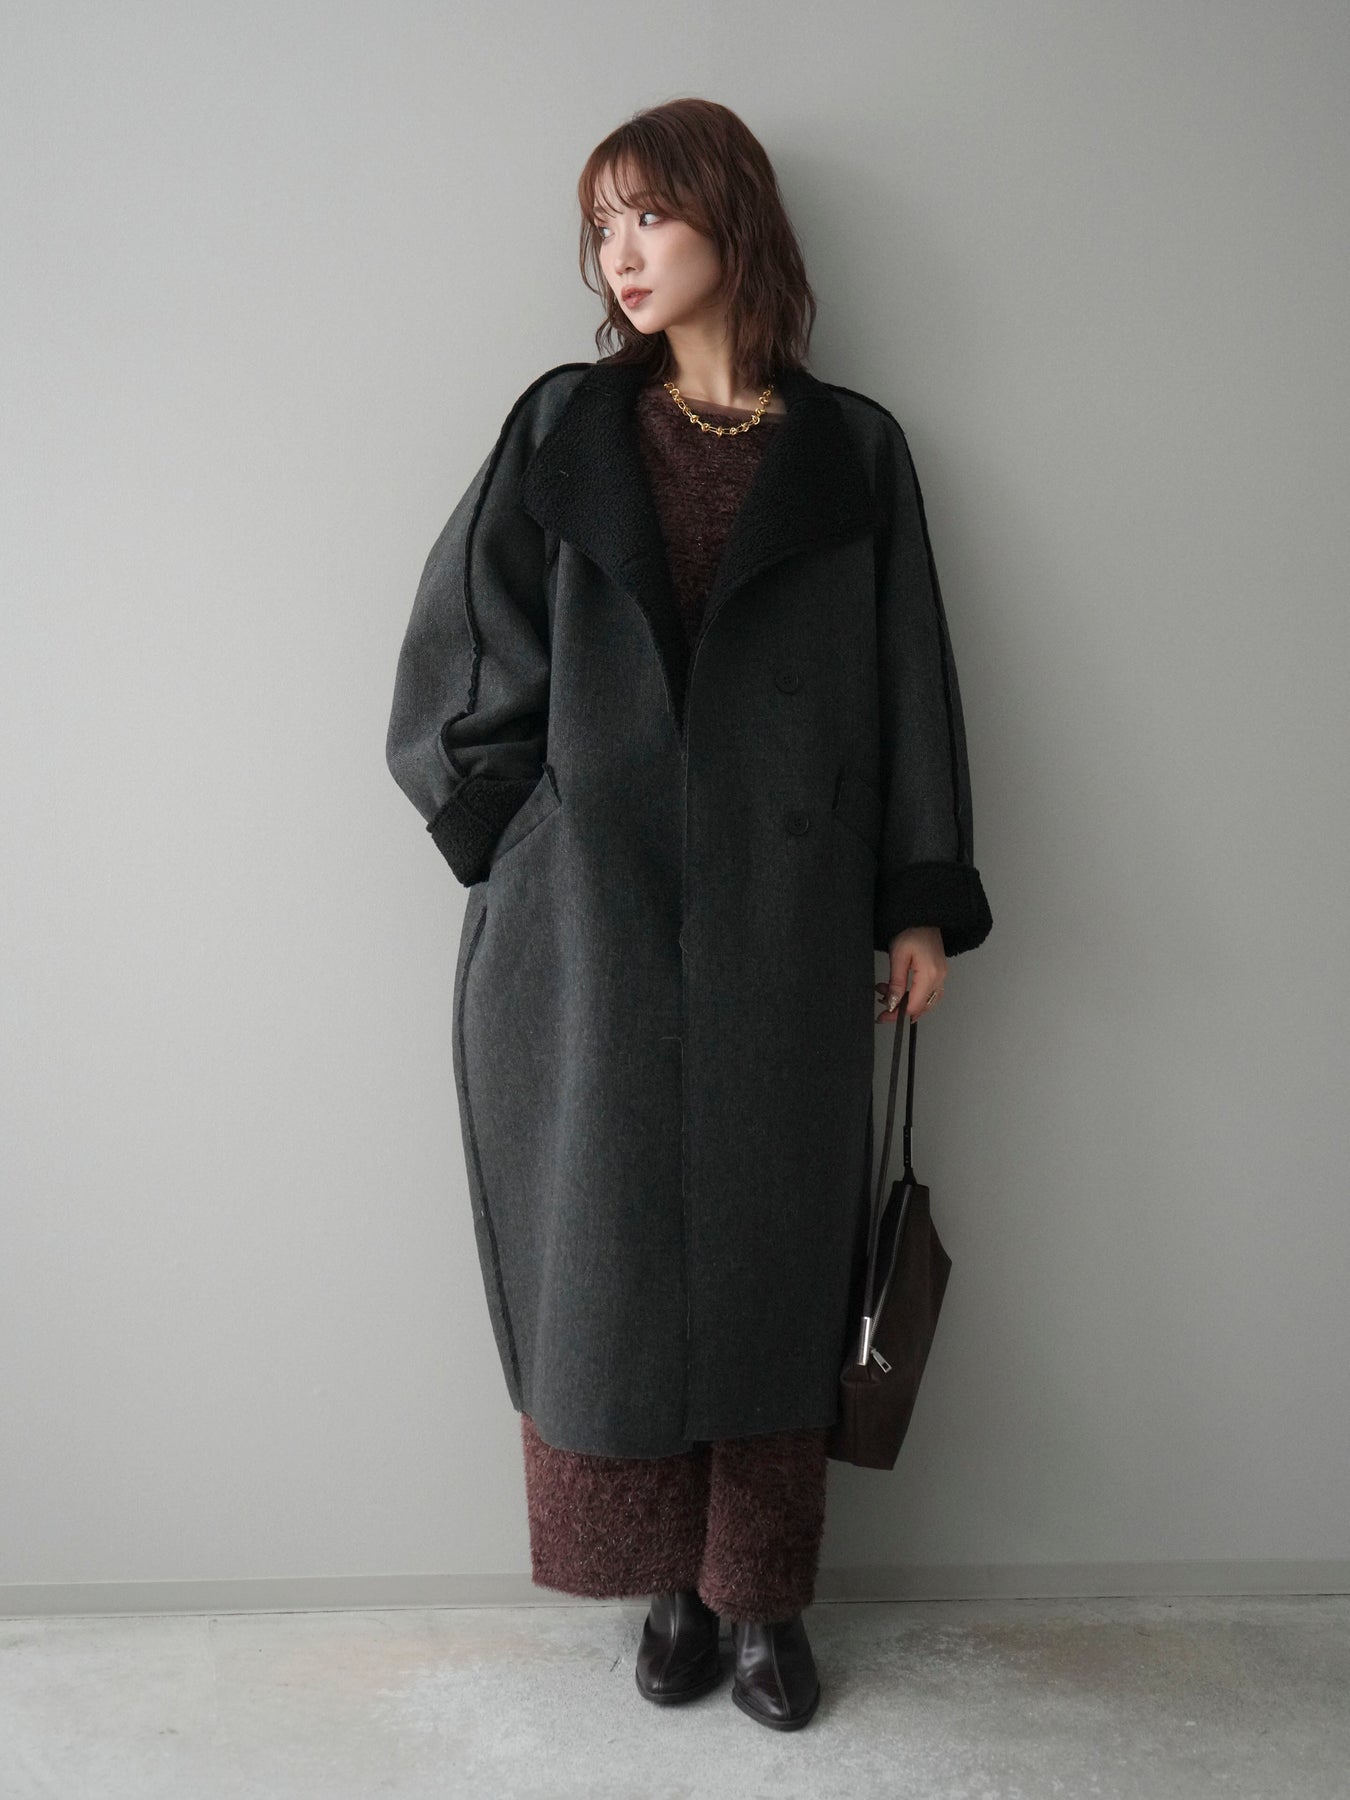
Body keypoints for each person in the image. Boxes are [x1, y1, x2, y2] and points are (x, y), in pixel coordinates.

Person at [385, 97, 993, 1732]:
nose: (620, 254)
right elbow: (460, 643)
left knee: (775, 1255)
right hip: (583, 923)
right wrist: (522, 830)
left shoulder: (853, 448)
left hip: (787, 917)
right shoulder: (565, 424)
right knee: (604, 1253)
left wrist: (915, 900)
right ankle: (662, 1584)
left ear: (732, 216)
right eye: (601, 227)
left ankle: (760, 1598)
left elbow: (909, 680)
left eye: (648, 214)